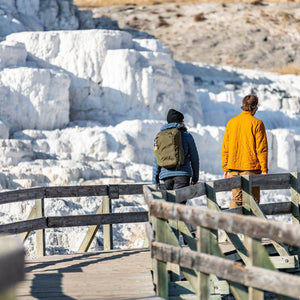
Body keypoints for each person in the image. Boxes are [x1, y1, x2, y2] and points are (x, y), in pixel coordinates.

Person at [222, 94, 268, 208]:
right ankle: (251, 226)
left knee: (236, 200)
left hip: (233, 168)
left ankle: (232, 224)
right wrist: (264, 169)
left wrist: (226, 168)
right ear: (255, 107)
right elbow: (261, 149)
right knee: (253, 202)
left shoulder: (231, 122)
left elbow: (225, 148)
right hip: (251, 169)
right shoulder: (257, 123)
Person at [152, 108, 199, 194]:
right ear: (180, 122)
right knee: (179, 205)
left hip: (166, 177)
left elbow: (156, 160)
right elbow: (194, 158)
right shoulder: (187, 135)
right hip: (182, 175)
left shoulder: (159, 137)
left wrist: (155, 181)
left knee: (171, 204)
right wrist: (195, 178)